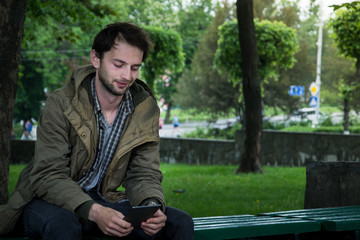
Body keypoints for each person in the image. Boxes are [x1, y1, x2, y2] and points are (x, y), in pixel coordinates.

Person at [0, 22, 193, 240]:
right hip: (48, 201)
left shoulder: (145, 109)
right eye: (118, 64)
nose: (127, 76)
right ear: (96, 59)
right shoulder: (61, 103)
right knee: (63, 225)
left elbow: (144, 173)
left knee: (179, 222)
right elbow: (48, 175)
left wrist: (150, 205)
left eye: (134, 67)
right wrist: (93, 211)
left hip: (105, 200)